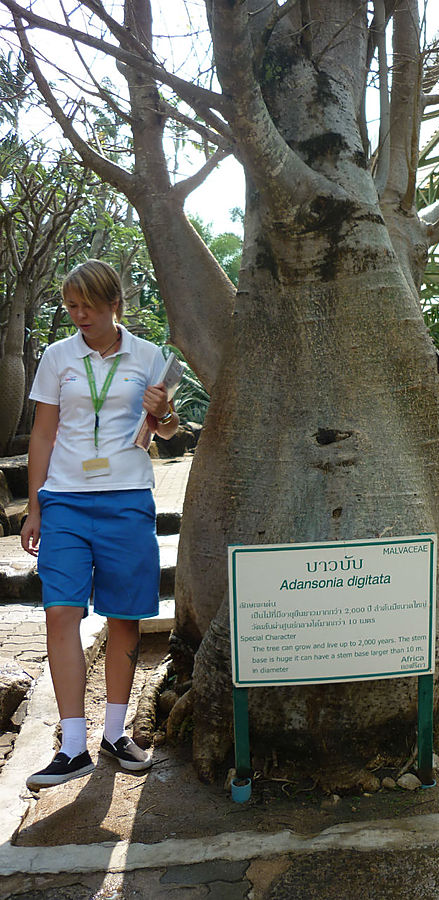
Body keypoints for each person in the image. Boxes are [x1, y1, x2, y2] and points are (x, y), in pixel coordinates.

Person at [21, 259, 179, 790]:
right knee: (60, 612)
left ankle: (115, 733)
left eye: (87, 306)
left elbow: (166, 431)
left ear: (115, 303)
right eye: (71, 307)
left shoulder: (149, 356)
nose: (78, 315)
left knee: (124, 613)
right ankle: (71, 746)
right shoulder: (57, 357)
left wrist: (166, 413)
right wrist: (36, 505)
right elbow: (43, 434)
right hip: (65, 500)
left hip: (127, 499)